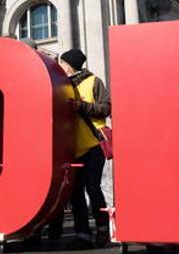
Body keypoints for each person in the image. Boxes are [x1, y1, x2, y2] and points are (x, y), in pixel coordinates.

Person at [58, 49, 111, 250]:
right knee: (75, 191)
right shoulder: (61, 84)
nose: (60, 66)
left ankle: (103, 228)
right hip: (72, 147)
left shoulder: (94, 81)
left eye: (62, 63)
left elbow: (106, 108)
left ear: (70, 65)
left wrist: (82, 106)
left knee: (93, 187)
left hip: (93, 144)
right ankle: (82, 234)